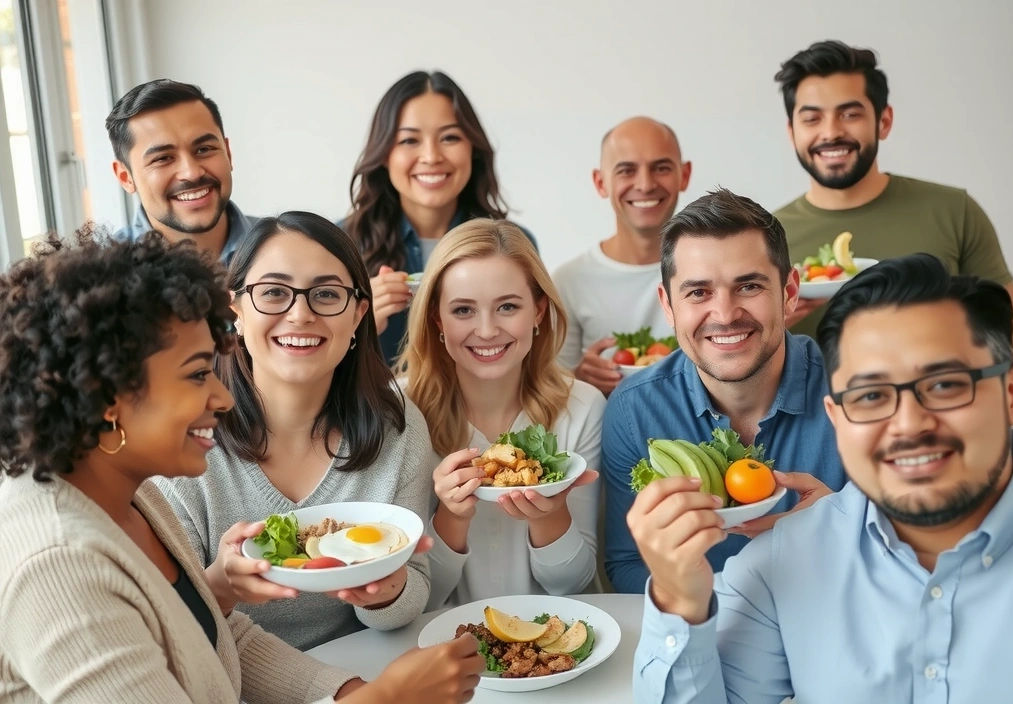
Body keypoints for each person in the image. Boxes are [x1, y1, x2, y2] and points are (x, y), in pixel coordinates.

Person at [0, 229, 484, 704]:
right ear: (108, 394)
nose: (223, 395)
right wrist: (391, 698)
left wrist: (347, 692)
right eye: (196, 374)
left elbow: (218, 632)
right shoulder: (57, 564)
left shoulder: (132, 495)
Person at [630, 253, 1013, 703]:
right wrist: (679, 598)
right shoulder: (783, 560)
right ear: (837, 418)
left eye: (946, 385)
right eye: (871, 395)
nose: (909, 424)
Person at [156, 212, 435, 652]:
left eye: (326, 294)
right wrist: (219, 584)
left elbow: (413, 589)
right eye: (273, 293)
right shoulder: (185, 438)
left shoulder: (397, 425)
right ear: (237, 311)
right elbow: (167, 623)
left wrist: (388, 594)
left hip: (359, 674)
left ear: (359, 314)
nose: (300, 314)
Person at [602, 188, 847, 593]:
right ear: (668, 305)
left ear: (788, 293)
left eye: (749, 286)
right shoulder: (633, 410)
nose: (726, 315)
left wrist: (844, 526)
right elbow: (628, 563)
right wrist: (689, 592)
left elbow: (917, 549)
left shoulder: (854, 390)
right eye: (699, 292)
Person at [397, 218, 604, 610]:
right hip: (439, 653)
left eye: (507, 306)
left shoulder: (583, 406)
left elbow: (575, 584)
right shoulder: (400, 411)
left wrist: (550, 514)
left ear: (539, 311)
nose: (488, 330)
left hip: (552, 649)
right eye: (463, 310)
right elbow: (415, 601)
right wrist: (451, 519)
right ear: (437, 319)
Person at [772, 40, 1013, 359]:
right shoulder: (767, 237)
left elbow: (1010, 327)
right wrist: (773, 326)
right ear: (792, 132)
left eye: (850, 114)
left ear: (884, 121)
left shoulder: (954, 210)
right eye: (812, 119)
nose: (831, 132)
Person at [344, 70, 537, 365]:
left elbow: (533, 354)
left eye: (449, 137)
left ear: (473, 148)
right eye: (410, 141)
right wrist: (353, 324)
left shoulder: (512, 245)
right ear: (384, 153)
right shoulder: (339, 245)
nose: (432, 156)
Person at [553, 116, 692, 396]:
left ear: (684, 175)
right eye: (626, 170)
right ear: (600, 182)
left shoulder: (710, 270)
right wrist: (579, 378)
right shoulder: (568, 281)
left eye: (661, 167)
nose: (645, 184)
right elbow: (549, 391)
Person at [106, 79, 256, 263]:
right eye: (162, 158)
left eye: (204, 149)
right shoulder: (100, 276)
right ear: (125, 178)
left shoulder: (293, 248)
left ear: (228, 153)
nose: (192, 173)